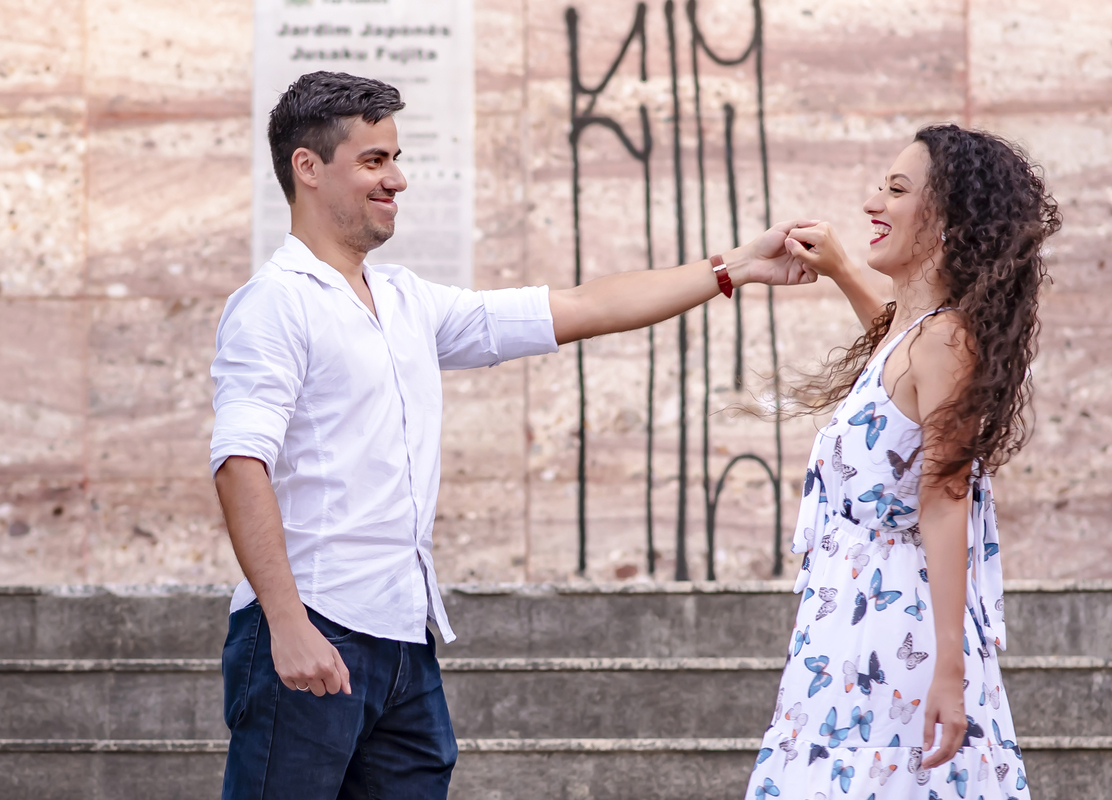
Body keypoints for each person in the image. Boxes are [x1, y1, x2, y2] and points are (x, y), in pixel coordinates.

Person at [210, 70, 816, 800]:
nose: (396, 180)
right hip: (313, 628)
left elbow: (583, 306)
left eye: (396, 158)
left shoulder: (407, 301)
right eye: (374, 161)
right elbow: (240, 464)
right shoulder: (272, 305)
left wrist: (737, 267)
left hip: (405, 638)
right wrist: (288, 623)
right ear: (307, 168)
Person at [744, 124, 1060, 799]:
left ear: (947, 220)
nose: (871, 204)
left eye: (896, 190)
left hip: (896, 640)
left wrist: (950, 667)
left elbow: (943, 501)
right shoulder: (917, 337)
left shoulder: (945, 341)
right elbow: (895, 349)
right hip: (850, 634)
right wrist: (839, 270)